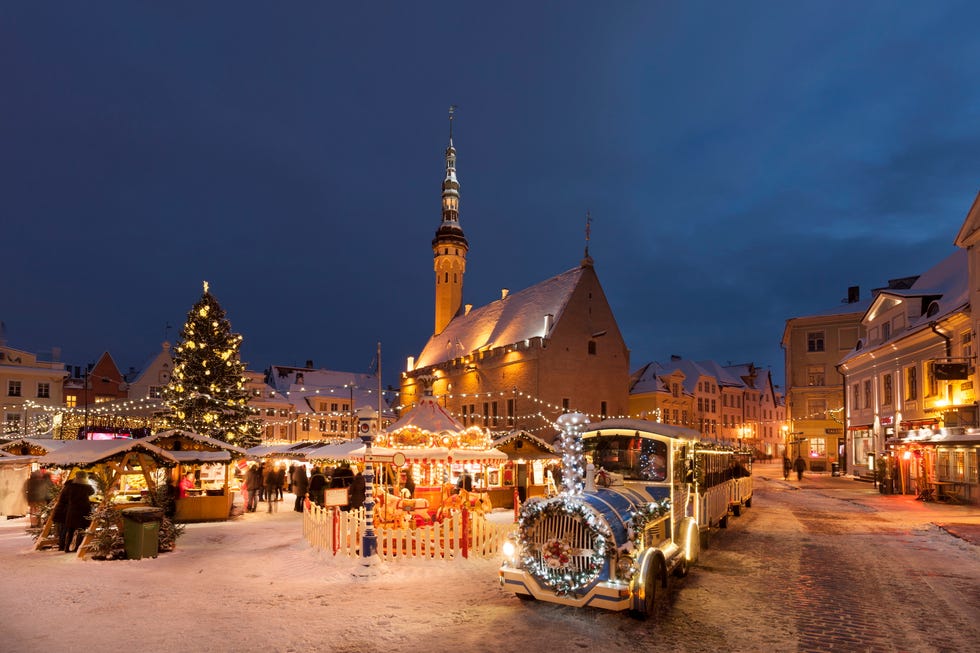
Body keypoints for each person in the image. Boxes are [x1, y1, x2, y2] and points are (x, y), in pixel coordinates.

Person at [60, 471, 95, 553]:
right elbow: (92, 492)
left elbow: (65, 494)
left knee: (70, 530)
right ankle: (77, 547)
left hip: (72, 510)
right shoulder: (86, 486)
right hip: (83, 510)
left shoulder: (70, 486)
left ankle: (66, 547)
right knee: (81, 529)